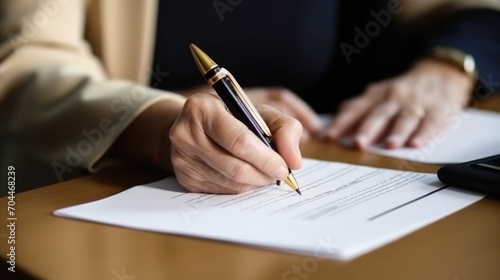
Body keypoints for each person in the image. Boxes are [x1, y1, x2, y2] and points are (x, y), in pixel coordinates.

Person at [1, 0, 499, 193]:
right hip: (121, 198)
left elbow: (468, 6)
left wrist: (450, 65)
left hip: (338, 156)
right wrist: (159, 124)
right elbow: (28, 62)